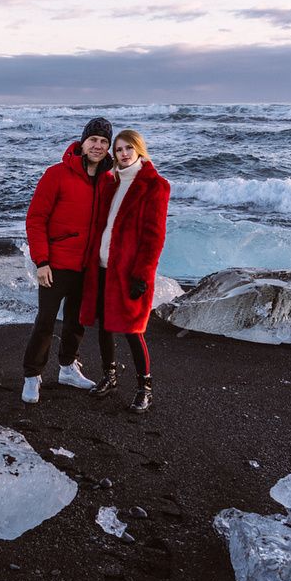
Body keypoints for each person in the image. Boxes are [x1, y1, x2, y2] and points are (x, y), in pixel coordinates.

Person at [21, 118, 115, 404]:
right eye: (93, 140)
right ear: (82, 143)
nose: (97, 146)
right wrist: (42, 261)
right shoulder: (56, 174)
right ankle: (31, 375)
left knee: (77, 321)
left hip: (87, 267)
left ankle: (67, 368)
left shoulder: (108, 180)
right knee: (45, 322)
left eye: (103, 142)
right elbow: (36, 219)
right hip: (56, 263)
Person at [80, 129, 169, 413]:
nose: (124, 154)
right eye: (118, 150)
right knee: (105, 326)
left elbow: (154, 237)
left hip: (129, 273)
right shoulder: (112, 183)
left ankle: (145, 388)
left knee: (133, 330)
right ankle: (110, 376)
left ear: (139, 150)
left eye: (129, 148)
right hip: (104, 267)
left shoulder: (155, 185)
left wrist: (142, 275)